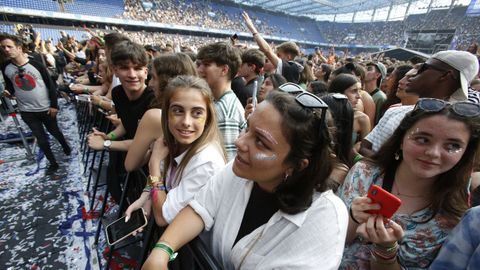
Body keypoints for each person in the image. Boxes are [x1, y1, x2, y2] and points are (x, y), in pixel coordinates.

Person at [141, 90, 348, 269]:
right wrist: (162, 250)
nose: (239, 142)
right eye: (247, 128)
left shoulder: (325, 219)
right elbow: (200, 207)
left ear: (296, 165)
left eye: (260, 141)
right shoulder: (238, 169)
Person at [338, 98, 480, 269]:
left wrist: (386, 251)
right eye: (423, 139)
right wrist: (353, 219)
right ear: (401, 139)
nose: (433, 153)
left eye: (452, 145)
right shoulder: (364, 174)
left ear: (465, 153)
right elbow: (331, 240)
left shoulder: (459, 212)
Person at [125, 75, 226, 227]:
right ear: (166, 115)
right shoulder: (172, 141)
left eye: (197, 113)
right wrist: (145, 197)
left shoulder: (207, 162)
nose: (186, 122)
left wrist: (153, 163)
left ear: (208, 118)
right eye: (178, 111)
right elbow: (161, 176)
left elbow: (162, 218)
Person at [360, 50, 480, 157]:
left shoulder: (452, 127)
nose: (414, 75)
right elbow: (365, 146)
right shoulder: (396, 110)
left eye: (423, 68)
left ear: (445, 76)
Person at [1, 34, 71, 173]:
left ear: (19, 48)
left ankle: (65, 146)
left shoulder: (36, 64)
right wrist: (8, 92)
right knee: (41, 139)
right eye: (3, 47)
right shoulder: (5, 67)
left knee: (55, 132)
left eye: (9, 46)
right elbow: (10, 84)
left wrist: (54, 106)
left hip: (45, 108)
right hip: (27, 111)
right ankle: (53, 163)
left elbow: (51, 86)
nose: (6, 50)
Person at [124, 52, 198, 172]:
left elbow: (130, 165)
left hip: (160, 187)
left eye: (153, 77)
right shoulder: (201, 115)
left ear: (166, 82)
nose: (150, 83)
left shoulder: (155, 116)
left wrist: (153, 156)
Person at [196, 42, 246, 161]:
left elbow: (227, 160)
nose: (199, 69)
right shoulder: (220, 102)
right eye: (199, 65)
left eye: (206, 65)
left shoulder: (225, 111)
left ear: (224, 70)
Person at [242, 12, 303, 83]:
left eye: (279, 55)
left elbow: (267, 50)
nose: (276, 57)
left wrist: (252, 28)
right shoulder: (286, 70)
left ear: (288, 57)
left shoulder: (291, 68)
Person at [328, 74, 371, 151]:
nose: (359, 96)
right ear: (339, 93)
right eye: (354, 91)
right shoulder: (325, 114)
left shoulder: (362, 119)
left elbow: (365, 150)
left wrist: (353, 151)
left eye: (359, 91)